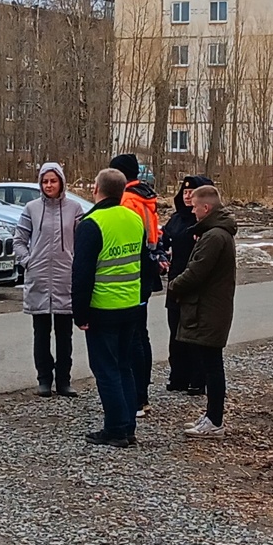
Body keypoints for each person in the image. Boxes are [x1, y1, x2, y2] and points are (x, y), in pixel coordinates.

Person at [72, 166, 157, 446]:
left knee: (106, 369)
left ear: (96, 189)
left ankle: (116, 428)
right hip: (131, 306)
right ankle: (128, 426)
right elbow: (144, 263)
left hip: (103, 308)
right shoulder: (134, 219)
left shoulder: (91, 223)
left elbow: (82, 273)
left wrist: (80, 312)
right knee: (124, 367)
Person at [166, 183, 238, 435]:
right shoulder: (214, 233)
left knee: (212, 366)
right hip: (209, 308)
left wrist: (173, 286)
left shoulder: (214, 237)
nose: (193, 211)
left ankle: (215, 420)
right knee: (211, 363)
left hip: (209, 310)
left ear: (206, 208)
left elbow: (196, 272)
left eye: (196, 206)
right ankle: (211, 415)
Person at [12, 161, 88, 395]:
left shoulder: (74, 208)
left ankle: (64, 380)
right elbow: (19, 239)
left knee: (64, 334)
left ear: (61, 182)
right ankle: (44, 379)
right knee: (41, 332)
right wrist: (28, 261)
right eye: (45, 181)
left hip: (66, 278)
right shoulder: (32, 208)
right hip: (40, 279)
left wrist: (78, 266)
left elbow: (83, 241)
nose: (49, 185)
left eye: (53, 181)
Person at [106, 153, 161, 413]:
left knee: (134, 336)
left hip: (134, 271)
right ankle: (142, 392)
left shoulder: (128, 200)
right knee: (142, 333)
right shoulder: (146, 196)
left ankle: (137, 395)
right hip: (147, 268)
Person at [159, 173, 213, 394]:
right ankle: (178, 375)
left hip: (196, 284)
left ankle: (197, 379)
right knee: (176, 332)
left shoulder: (205, 222)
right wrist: (161, 255)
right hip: (175, 281)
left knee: (194, 334)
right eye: (185, 191)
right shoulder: (176, 218)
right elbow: (163, 241)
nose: (188, 196)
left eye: (193, 192)